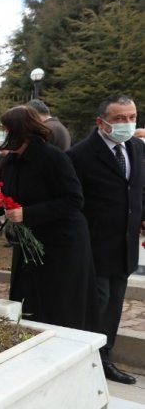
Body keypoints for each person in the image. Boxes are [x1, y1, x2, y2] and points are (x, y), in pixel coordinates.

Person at [0, 106, 97, 333]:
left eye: (4, 129)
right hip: (28, 244)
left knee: (57, 306)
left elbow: (74, 200)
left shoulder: (53, 158)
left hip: (61, 245)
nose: (2, 134)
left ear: (19, 131)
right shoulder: (11, 161)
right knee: (27, 301)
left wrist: (28, 213)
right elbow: (4, 195)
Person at [68, 94, 145, 385]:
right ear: (101, 122)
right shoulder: (80, 155)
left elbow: (138, 188)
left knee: (114, 306)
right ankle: (85, 358)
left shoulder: (136, 147)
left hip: (124, 246)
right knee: (95, 305)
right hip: (94, 247)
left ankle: (105, 358)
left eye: (131, 117)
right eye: (119, 118)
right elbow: (73, 203)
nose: (127, 123)